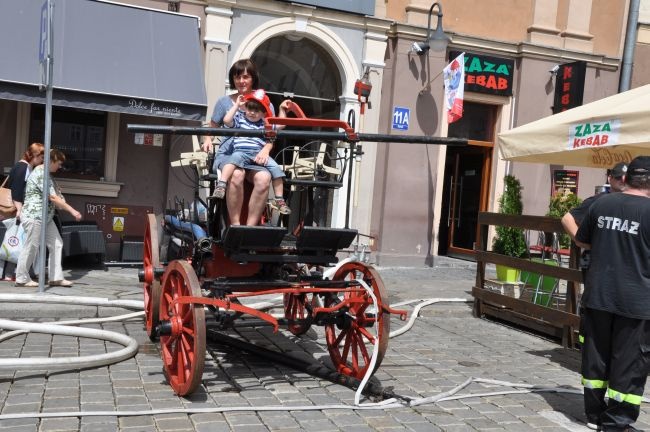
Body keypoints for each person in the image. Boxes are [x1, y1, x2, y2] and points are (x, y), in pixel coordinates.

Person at [574, 156, 650, 431]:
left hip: (598, 295)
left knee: (596, 358)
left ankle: (594, 415)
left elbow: (581, 238)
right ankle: (616, 422)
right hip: (636, 301)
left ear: (626, 178)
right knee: (629, 363)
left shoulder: (601, 204)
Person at [202, 59, 273, 226]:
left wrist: (266, 149)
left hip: (254, 156)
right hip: (229, 155)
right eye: (237, 77)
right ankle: (235, 226)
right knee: (237, 173)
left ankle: (249, 228)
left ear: (253, 79)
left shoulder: (265, 102)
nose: (241, 81)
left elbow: (272, 135)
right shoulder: (224, 102)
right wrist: (207, 140)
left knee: (264, 178)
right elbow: (212, 127)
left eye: (245, 77)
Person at [215, 89, 291, 215]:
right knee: (232, 160)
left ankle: (279, 199)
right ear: (245, 108)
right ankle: (221, 185)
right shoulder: (240, 118)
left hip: (257, 154)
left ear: (263, 113)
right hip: (241, 151)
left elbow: (281, 125)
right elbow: (227, 120)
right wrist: (236, 106)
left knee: (276, 169)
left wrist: (282, 109)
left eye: (257, 111)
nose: (252, 113)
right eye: (250, 108)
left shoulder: (264, 124)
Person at [15, 149, 82, 288]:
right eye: (58, 163)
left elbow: (55, 196)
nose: (60, 166)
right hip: (35, 216)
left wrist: (59, 195)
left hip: (45, 217)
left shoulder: (48, 175)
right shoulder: (41, 173)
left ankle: (55, 278)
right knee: (31, 246)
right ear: (51, 161)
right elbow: (53, 198)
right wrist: (73, 211)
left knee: (56, 243)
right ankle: (21, 278)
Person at [0, 143, 45, 281]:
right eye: (42, 157)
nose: (43, 160)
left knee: (10, 240)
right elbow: (17, 190)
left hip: (11, 209)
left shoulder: (22, 166)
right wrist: (20, 209)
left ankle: (7, 274)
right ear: (35, 156)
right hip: (13, 209)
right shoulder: (24, 167)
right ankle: (8, 274)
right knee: (12, 240)